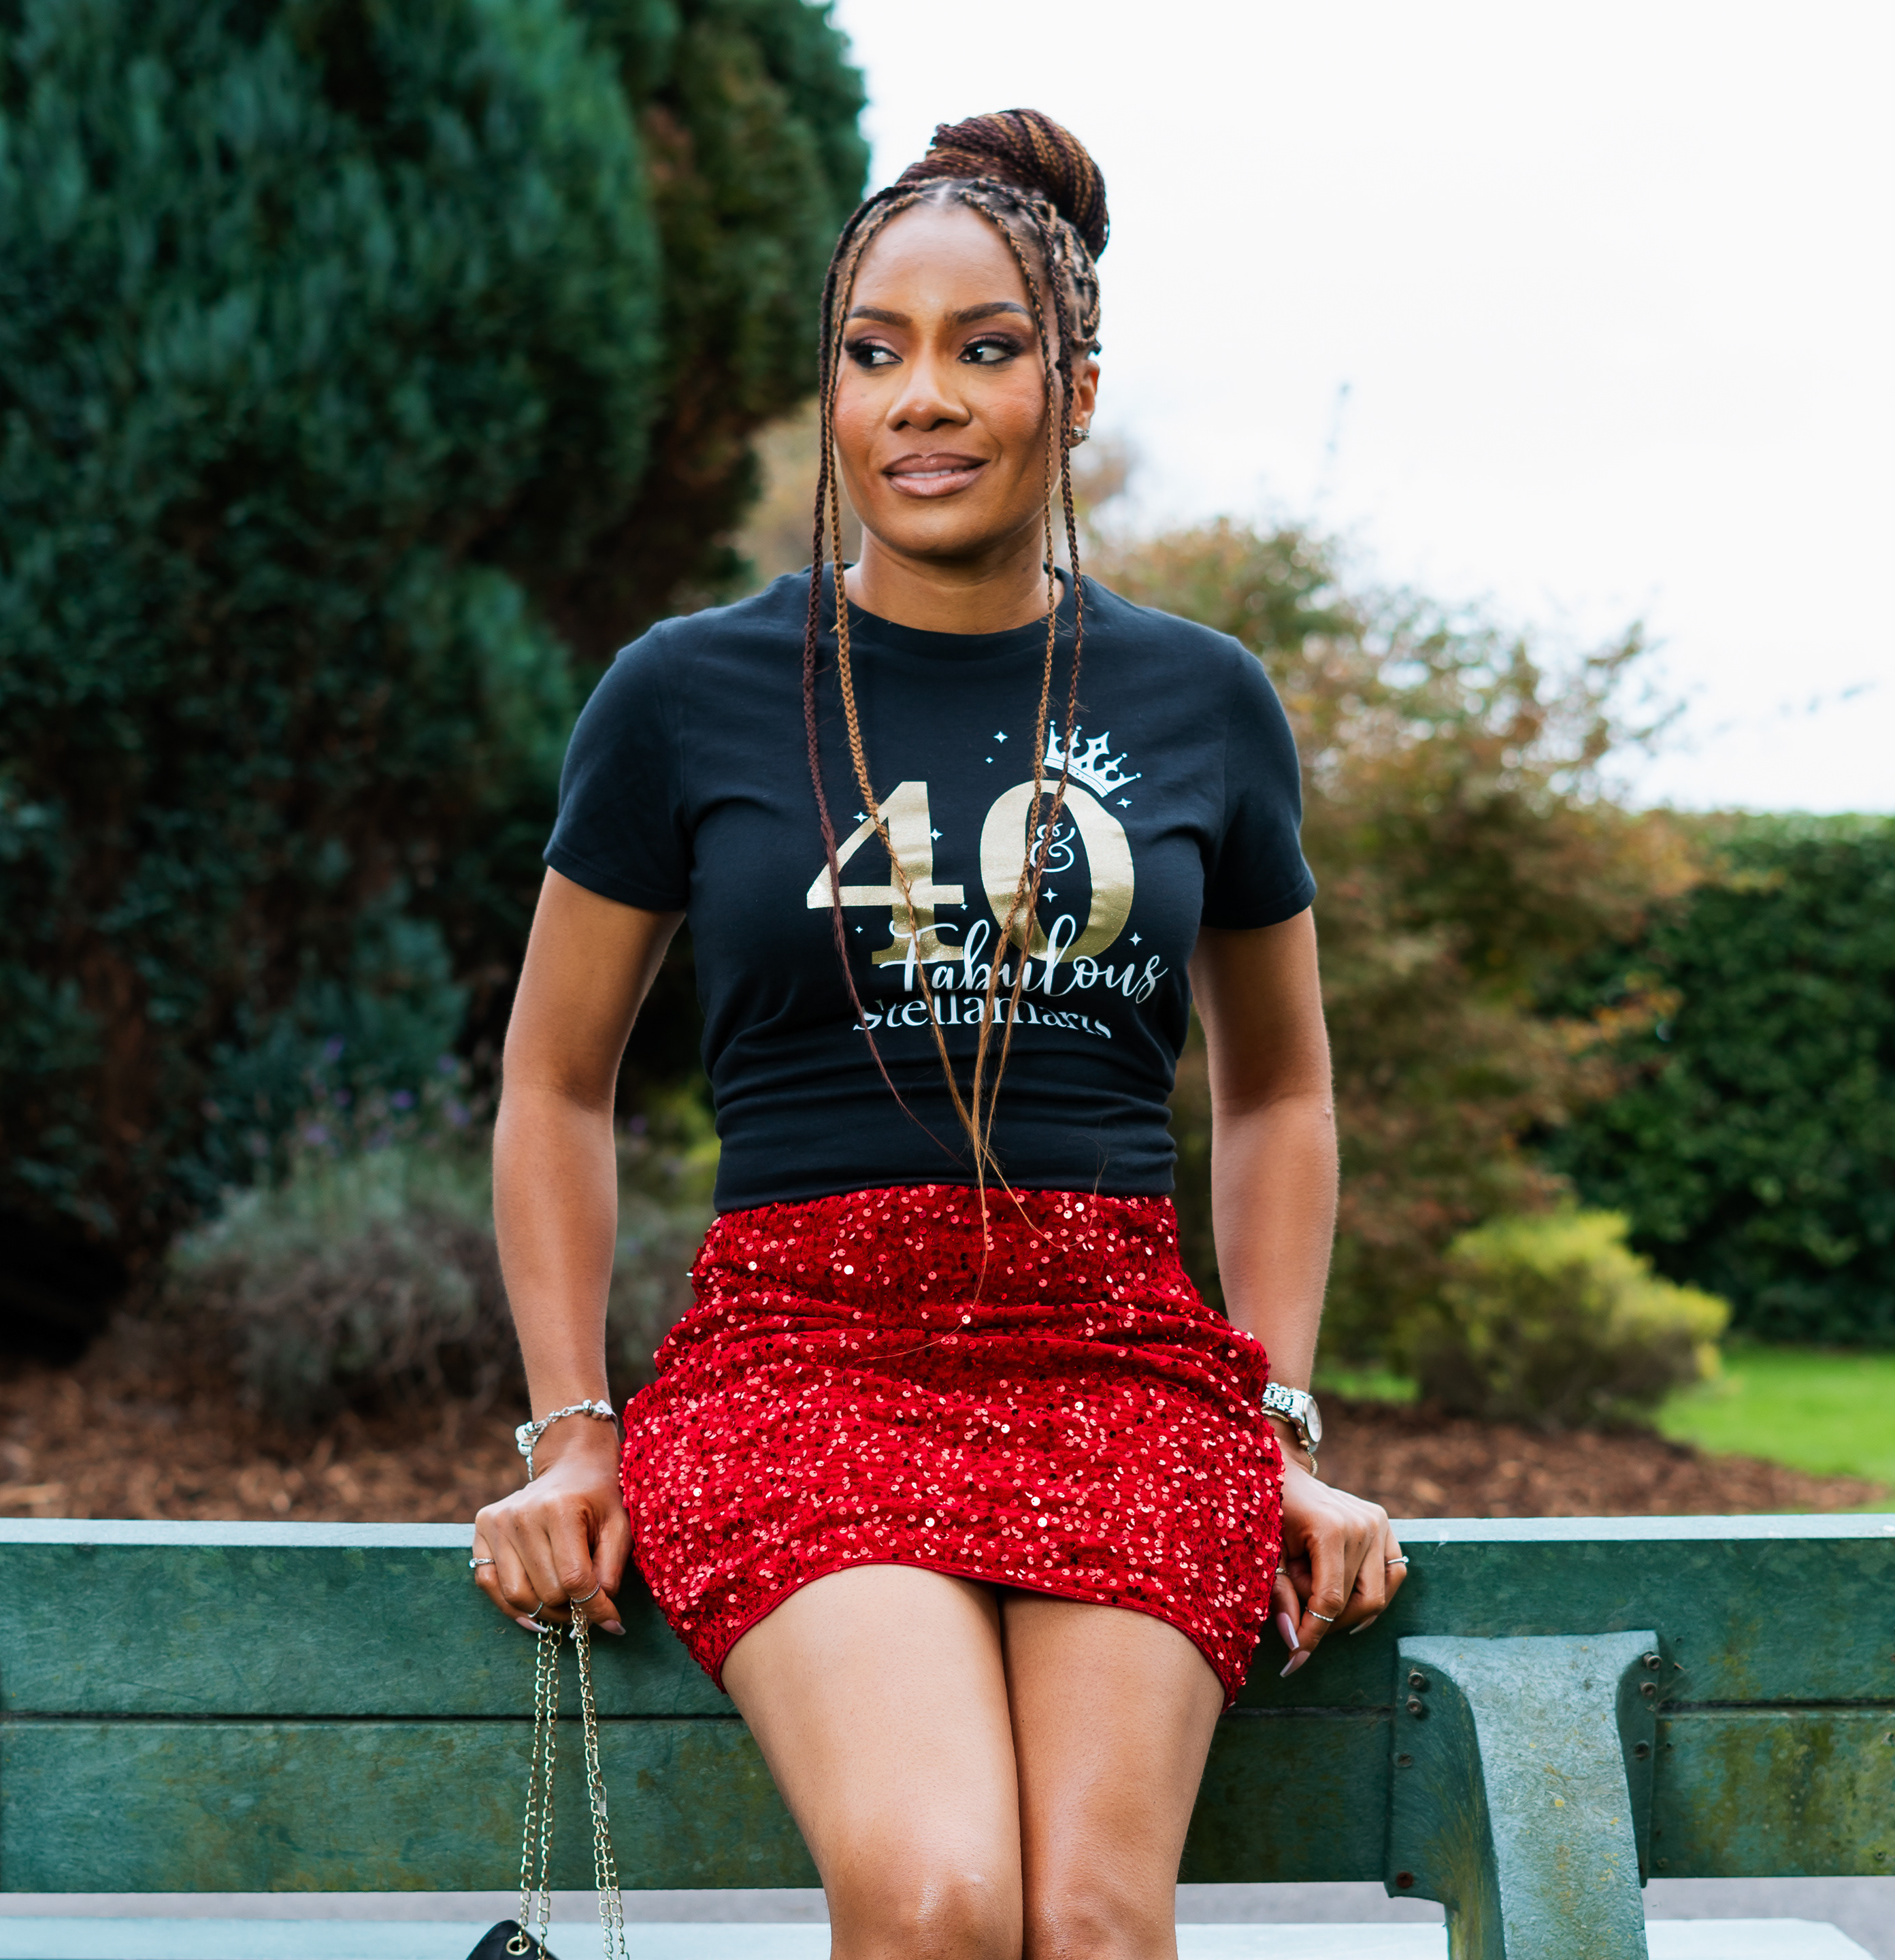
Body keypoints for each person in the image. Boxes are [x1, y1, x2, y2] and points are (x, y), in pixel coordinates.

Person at [469, 108, 1406, 1960]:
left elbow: (1281, 1091)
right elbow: (552, 1082)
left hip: (1124, 1376)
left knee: (1096, 1924)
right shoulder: (685, 693)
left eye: (986, 349)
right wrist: (574, 1429)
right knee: (940, 1899)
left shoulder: (1203, 699)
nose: (924, 399)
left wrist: (1280, 1419)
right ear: (831, 391)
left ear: (1076, 388)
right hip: (801, 1371)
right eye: (873, 350)